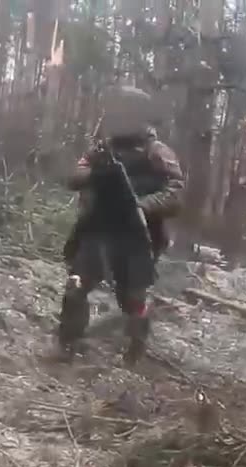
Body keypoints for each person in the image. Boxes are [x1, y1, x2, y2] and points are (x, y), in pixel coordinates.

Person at [58, 86, 184, 364]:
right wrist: (96, 174)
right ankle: (68, 343)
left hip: (138, 234)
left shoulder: (157, 152)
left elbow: (176, 192)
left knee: (133, 299)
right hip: (98, 229)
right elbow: (74, 176)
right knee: (76, 284)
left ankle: (134, 351)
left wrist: (142, 205)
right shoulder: (103, 149)